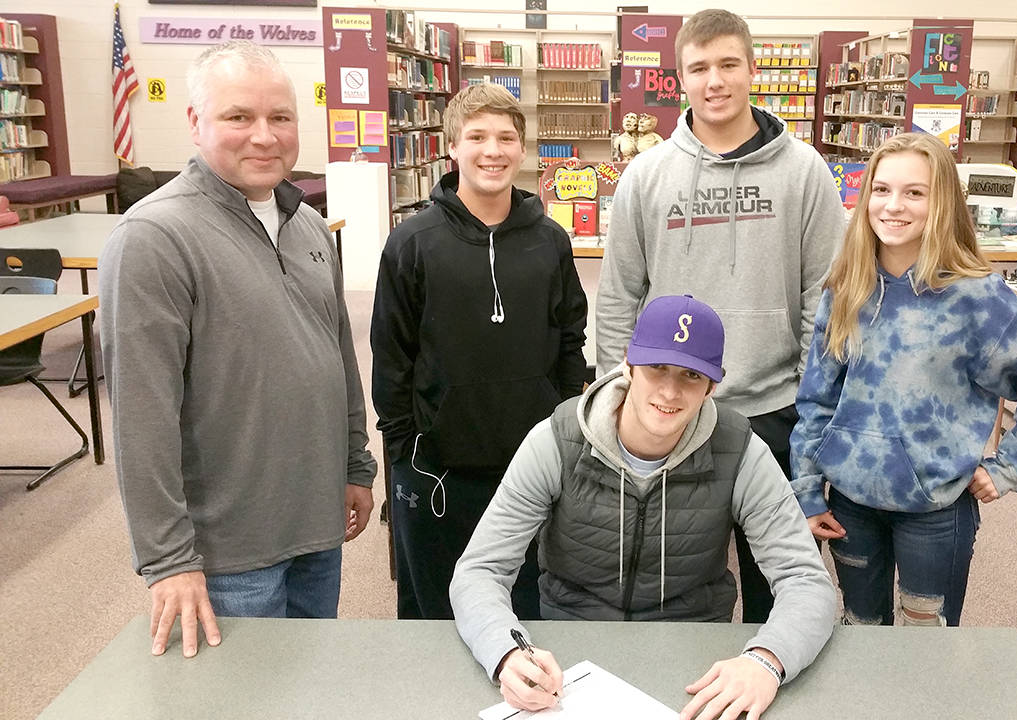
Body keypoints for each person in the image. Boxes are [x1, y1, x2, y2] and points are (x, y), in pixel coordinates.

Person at [98, 41, 376, 658]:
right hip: (228, 553)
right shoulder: (154, 238)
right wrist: (168, 559)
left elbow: (338, 359)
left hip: (317, 524)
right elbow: (141, 418)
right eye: (238, 116)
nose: (264, 136)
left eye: (280, 117)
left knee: (310, 681)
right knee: (242, 696)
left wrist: (355, 465)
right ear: (195, 122)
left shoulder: (308, 224)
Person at [451, 294, 837, 720]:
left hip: (694, 658)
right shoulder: (556, 440)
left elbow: (807, 581)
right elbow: (479, 570)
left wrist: (766, 660)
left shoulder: (741, 451)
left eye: (691, 375)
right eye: (656, 367)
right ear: (628, 364)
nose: (670, 391)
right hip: (568, 654)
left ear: (713, 386)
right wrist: (505, 653)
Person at [593, 8, 845, 624]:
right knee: (672, 591)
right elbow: (619, 295)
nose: (714, 81)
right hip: (672, 411)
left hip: (777, 409)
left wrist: (814, 402)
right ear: (680, 79)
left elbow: (824, 297)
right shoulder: (646, 175)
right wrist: (616, 396)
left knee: (777, 589)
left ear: (752, 70)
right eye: (699, 68)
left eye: (728, 64)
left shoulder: (805, 171)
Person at [790, 132, 1017, 627]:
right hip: (851, 502)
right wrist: (808, 489)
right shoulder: (846, 286)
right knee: (860, 628)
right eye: (881, 190)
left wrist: (1011, 467)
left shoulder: (976, 297)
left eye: (914, 193)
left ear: (941, 202)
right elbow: (817, 398)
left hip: (937, 508)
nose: (893, 206)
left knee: (928, 638)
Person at [370, 84, 588, 620]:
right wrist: (402, 450)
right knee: (434, 611)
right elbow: (391, 354)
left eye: (506, 138)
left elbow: (569, 339)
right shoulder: (412, 242)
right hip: (435, 467)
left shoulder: (550, 240)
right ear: (453, 147)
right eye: (477, 137)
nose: (493, 150)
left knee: (526, 606)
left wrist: (563, 430)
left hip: (531, 464)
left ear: (522, 148)